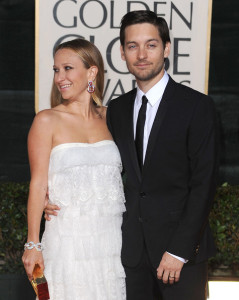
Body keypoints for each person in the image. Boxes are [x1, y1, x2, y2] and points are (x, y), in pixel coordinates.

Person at [45, 10, 218, 300]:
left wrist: (179, 250)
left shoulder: (197, 107)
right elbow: (100, 165)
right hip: (128, 256)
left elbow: (205, 184)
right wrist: (53, 197)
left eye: (151, 45)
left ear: (166, 49)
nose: (141, 54)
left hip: (179, 256)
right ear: (122, 53)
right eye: (132, 46)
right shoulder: (117, 110)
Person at [22, 38, 126, 300]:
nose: (60, 77)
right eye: (56, 70)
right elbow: (38, 184)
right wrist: (33, 244)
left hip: (111, 245)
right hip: (67, 242)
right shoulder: (46, 119)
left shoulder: (111, 117)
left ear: (92, 72)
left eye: (68, 68)